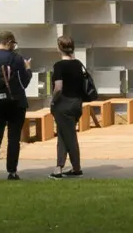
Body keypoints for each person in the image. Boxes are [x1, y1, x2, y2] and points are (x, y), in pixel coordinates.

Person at [0, 31, 32, 181]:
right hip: (16, 104)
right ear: (9, 42)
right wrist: (28, 69)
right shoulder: (17, 59)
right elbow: (24, 83)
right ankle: (12, 171)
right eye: (13, 44)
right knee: (13, 139)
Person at [50, 36, 86, 178]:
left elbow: (58, 87)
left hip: (64, 104)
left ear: (59, 48)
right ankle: (59, 167)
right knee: (64, 134)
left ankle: (76, 167)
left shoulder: (59, 66)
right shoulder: (78, 64)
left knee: (69, 136)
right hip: (77, 103)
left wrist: (53, 101)